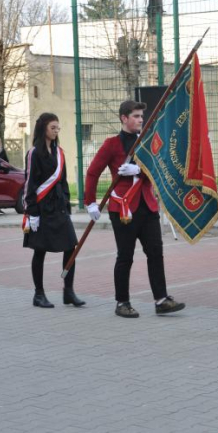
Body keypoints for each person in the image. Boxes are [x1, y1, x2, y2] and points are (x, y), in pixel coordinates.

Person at [85, 100, 185, 318]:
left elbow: (159, 169)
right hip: (123, 209)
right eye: (136, 116)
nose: (141, 120)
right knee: (125, 256)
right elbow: (93, 172)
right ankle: (122, 302)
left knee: (155, 253)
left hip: (147, 206)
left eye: (142, 116)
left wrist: (138, 170)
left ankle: (161, 299)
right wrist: (90, 202)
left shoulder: (147, 142)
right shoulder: (111, 144)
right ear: (124, 118)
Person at [22, 113, 85, 309]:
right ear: (43, 129)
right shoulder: (34, 153)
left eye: (58, 128)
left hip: (58, 207)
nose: (56, 131)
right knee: (40, 251)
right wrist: (32, 212)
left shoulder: (60, 152)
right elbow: (29, 183)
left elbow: (63, 180)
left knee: (70, 248)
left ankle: (68, 290)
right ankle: (38, 294)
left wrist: (66, 202)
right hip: (41, 208)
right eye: (53, 127)